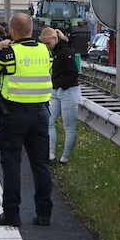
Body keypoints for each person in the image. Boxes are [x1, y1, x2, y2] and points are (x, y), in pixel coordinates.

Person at [0, 12, 54, 227]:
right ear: (32, 30)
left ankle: (11, 213)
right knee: (41, 164)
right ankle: (44, 213)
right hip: (41, 114)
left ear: (12, 31)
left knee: (11, 163)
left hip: (14, 115)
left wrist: (1, 49)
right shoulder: (46, 51)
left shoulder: (9, 54)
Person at [40, 27, 80, 164]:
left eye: (48, 43)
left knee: (69, 127)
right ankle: (50, 153)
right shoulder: (54, 51)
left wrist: (62, 84)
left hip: (68, 91)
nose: (46, 47)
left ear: (54, 39)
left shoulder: (66, 51)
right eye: (44, 44)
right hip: (56, 91)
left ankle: (65, 158)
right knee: (48, 121)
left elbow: (74, 72)